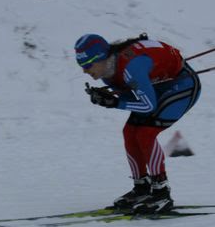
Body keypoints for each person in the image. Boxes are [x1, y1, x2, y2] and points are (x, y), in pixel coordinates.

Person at [75, 33, 201, 213]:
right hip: (159, 86)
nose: (84, 71)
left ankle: (161, 192)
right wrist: (110, 97)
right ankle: (142, 187)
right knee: (129, 131)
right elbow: (132, 94)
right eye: (81, 65)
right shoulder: (107, 72)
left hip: (183, 86)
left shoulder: (131, 68)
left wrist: (115, 102)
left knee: (145, 133)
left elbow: (148, 105)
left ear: (101, 58)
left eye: (87, 65)